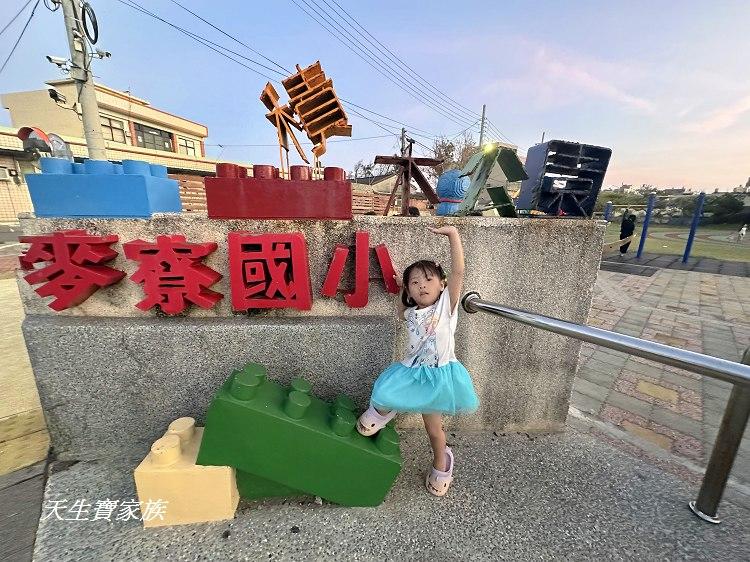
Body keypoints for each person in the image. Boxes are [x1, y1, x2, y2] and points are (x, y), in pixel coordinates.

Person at [356, 226, 479, 497]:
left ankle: (442, 463)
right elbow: (400, 305)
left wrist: (453, 235)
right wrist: (401, 285)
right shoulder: (410, 312)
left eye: (428, 279)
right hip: (411, 372)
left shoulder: (446, 307)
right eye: (414, 282)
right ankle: (382, 412)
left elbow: (458, 271)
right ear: (409, 291)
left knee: (433, 429)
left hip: (437, 379)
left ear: (442, 284)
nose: (422, 285)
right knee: (385, 392)